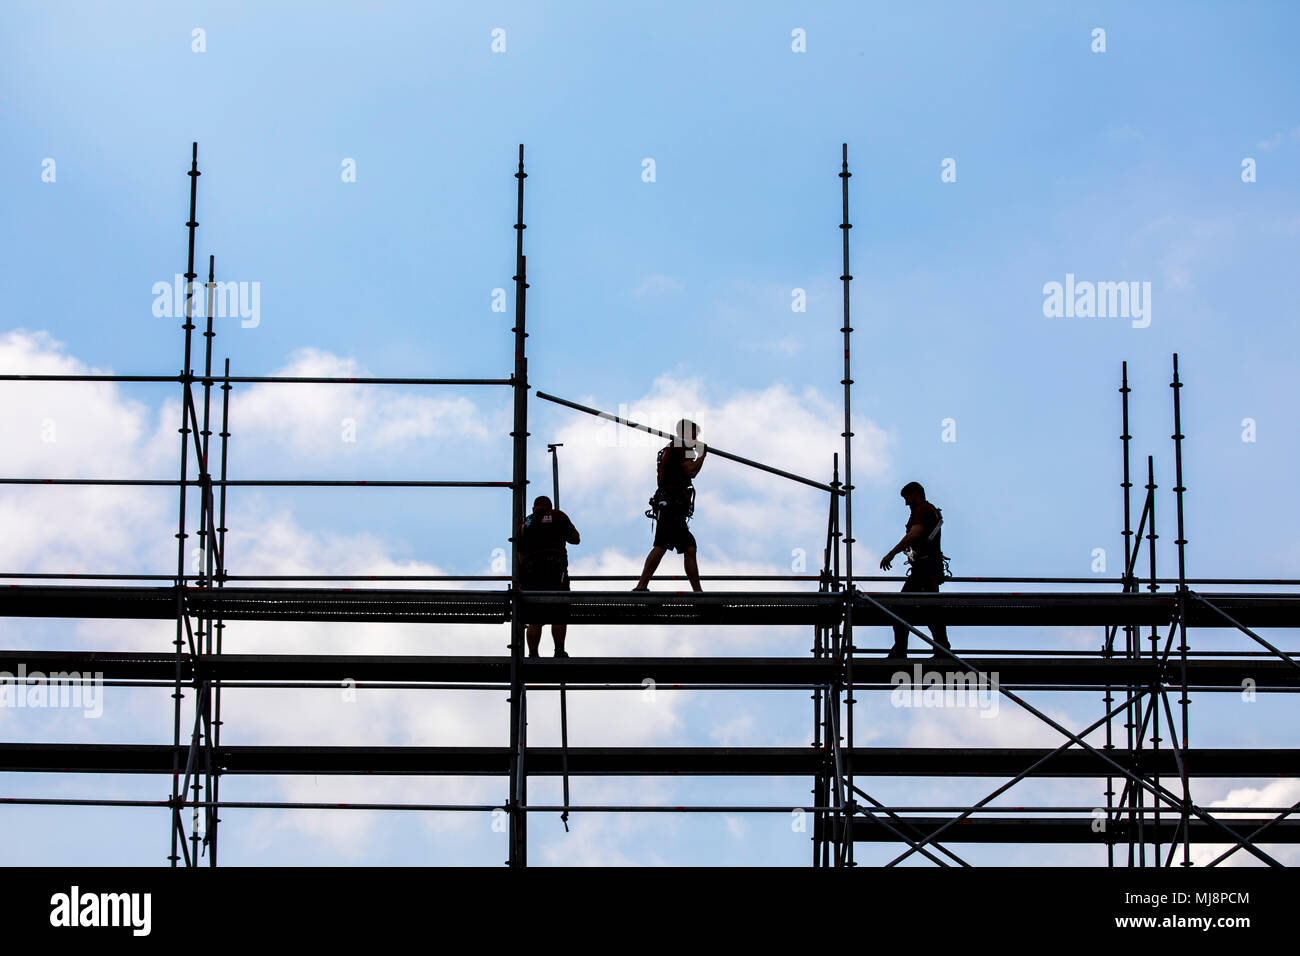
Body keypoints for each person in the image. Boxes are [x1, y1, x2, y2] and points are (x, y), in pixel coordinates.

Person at [878, 481, 951, 658]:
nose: (906, 503)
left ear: (916, 494)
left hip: (924, 570)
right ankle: (942, 649)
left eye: (907, 498)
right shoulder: (927, 511)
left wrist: (892, 553)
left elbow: (915, 534)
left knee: (900, 609)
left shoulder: (923, 510)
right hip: (927, 569)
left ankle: (901, 652)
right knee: (931, 611)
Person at [633, 419, 707, 592]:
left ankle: (697, 592)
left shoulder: (673, 447)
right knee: (663, 544)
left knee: (688, 546)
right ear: (687, 433)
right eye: (695, 434)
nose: (697, 438)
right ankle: (641, 585)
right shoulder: (682, 447)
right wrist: (702, 455)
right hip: (671, 504)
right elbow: (691, 471)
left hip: (671, 504)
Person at [517, 495, 580, 658]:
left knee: (534, 618)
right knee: (559, 612)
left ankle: (532, 654)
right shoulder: (558, 515)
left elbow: (520, 554)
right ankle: (559, 651)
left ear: (534, 509)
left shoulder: (525, 523)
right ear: (549, 506)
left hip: (530, 573)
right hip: (555, 570)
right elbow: (575, 539)